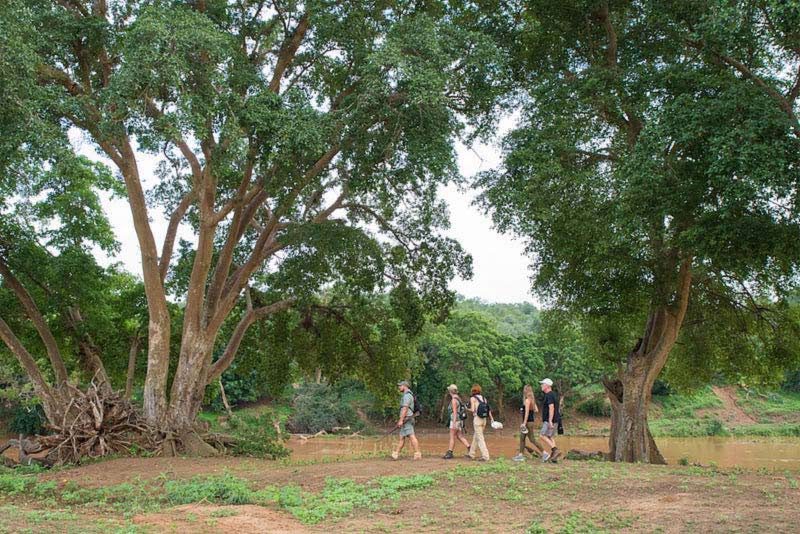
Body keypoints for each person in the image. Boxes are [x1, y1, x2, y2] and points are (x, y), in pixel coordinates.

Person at [513, 384, 545, 461]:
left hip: (527, 423)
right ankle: (520, 455)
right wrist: (530, 409)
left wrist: (524, 423)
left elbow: (527, 413)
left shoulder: (527, 400)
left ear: (526, 390)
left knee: (532, 439)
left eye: (524, 389)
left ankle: (545, 453)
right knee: (522, 438)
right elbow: (536, 410)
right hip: (530, 422)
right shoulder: (532, 400)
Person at [391, 381, 421, 461]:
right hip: (406, 418)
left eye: (400, 386)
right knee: (402, 437)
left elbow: (405, 408)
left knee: (411, 436)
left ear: (404, 386)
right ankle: (396, 454)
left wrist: (401, 420)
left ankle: (417, 454)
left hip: (407, 418)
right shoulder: (407, 395)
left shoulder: (407, 396)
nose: (399, 387)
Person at [443, 384, 470, 459]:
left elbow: (455, 412)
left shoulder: (454, 400)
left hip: (455, 420)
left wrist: (454, 423)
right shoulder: (458, 398)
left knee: (452, 436)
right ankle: (469, 448)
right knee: (459, 436)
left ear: (450, 391)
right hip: (460, 420)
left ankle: (450, 452)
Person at [467, 384, 494, 461]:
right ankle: (471, 454)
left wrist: (466, 408)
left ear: (473, 391)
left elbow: (473, 410)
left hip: (477, 420)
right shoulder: (484, 398)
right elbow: (488, 410)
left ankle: (485, 456)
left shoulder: (472, 398)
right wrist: (492, 419)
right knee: (476, 437)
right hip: (484, 420)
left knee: (480, 439)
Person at [539, 378, 561, 462]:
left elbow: (551, 407)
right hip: (555, 419)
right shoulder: (553, 394)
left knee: (542, 435)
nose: (541, 386)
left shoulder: (549, 395)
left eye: (543, 384)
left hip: (549, 419)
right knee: (549, 436)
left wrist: (550, 420)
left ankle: (555, 449)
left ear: (547, 386)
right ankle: (554, 457)